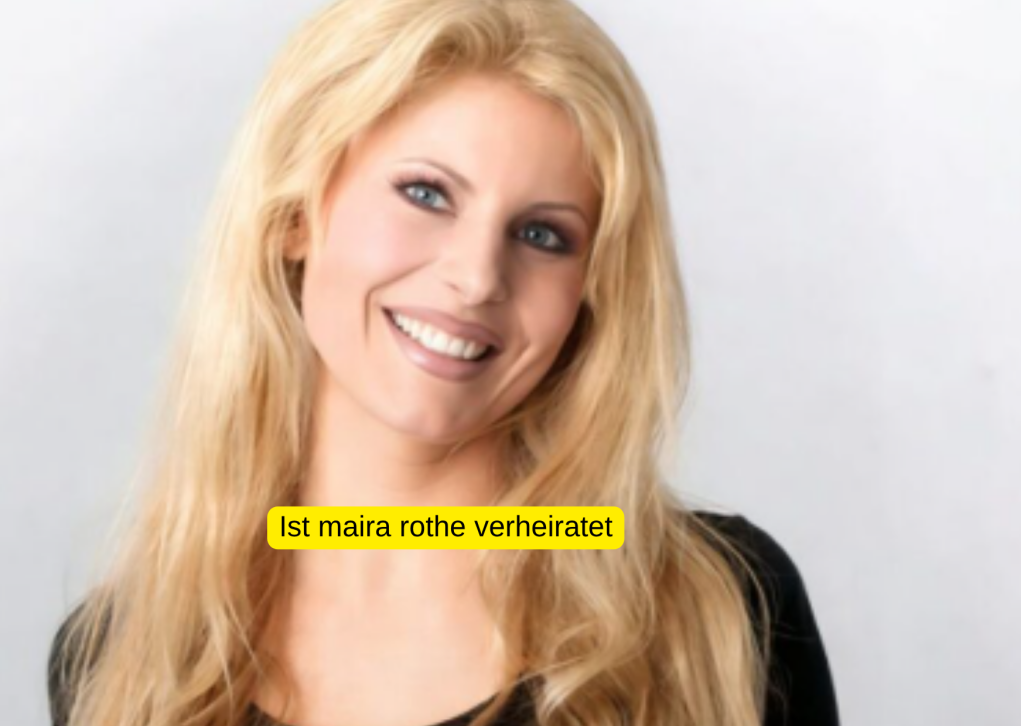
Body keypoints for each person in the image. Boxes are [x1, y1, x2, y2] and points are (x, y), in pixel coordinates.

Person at [46, 1, 840, 725]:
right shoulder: (125, 660)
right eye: (426, 194)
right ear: (294, 213)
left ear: (590, 293)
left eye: (543, 235)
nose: (477, 277)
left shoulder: (721, 612)